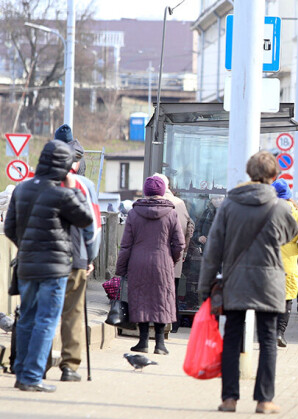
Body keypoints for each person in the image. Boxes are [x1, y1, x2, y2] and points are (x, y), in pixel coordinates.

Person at [198, 150, 298, 414]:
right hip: (269, 281)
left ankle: (229, 399)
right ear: (274, 176)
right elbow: (292, 234)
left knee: (231, 338)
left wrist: (205, 286)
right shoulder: (279, 206)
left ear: (249, 173)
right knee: (267, 339)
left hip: (235, 279)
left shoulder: (230, 205)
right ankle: (264, 401)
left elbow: (214, 249)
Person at [4, 140, 93, 392]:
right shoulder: (62, 193)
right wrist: (75, 189)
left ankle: (21, 373)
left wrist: (28, 247)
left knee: (26, 319)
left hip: (26, 266)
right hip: (54, 269)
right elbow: (85, 218)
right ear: (65, 165)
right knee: (46, 320)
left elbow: (10, 228)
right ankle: (32, 377)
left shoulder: (22, 189)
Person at [45, 135, 102, 382]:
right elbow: (94, 225)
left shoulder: (36, 183)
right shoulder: (84, 185)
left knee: (44, 312)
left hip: (43, 260)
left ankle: (40, 362)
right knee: (73, 313)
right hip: (76, 258)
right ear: (75, 162)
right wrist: (91, 256)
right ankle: (69, 366)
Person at [115, 176, 185, 355]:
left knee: (141, 299)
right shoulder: (171, 212)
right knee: (162, 299)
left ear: (146, 191)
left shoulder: (133, 213)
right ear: (162, 191)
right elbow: (179, 244)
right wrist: (172, 259)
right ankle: (160, 344)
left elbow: (126, 245)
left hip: (138, 262)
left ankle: (143, 341)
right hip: (163, 261)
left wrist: (121, 268)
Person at [271, 179, 298, 348]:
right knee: (286, 299)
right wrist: (294, 250)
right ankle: (279, 333)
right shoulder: (297, 215)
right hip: (288, 264)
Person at [153, 173, 195, 333]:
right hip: (175, 255)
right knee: (173, 292)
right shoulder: (180, 203)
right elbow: (189, 227)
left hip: (155, 256)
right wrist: (183, 252)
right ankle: (174, 324)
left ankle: (157, 327)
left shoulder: (150, 202)